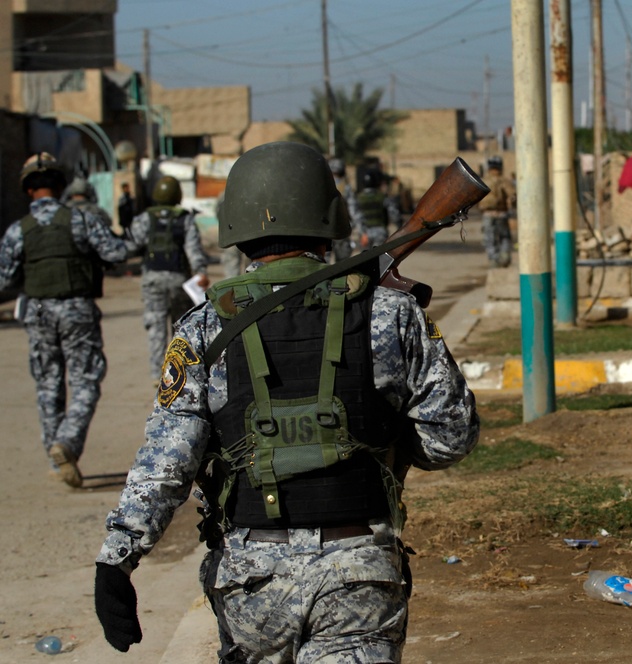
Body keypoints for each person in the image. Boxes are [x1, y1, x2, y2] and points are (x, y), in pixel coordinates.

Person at [94, 141, 479, 661]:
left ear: (235, 225)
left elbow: (167, 464)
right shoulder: (391, 312)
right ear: (330, 216)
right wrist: (381, 443)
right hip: (359, 573)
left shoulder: (203, 327)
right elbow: (451, 437)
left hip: (252, 583)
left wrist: (118, 559)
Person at [0, 153, 128, 487]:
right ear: (60, 186)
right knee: (85, 380)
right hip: (78, 310)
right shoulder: (80, 221)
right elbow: (116, 252)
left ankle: (57, 460)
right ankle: (67, 443)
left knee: (48, 384)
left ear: (28, 191)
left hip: (38, 311)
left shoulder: (18, 230)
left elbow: (4, 279)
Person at [125, 175, 210, 382]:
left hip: (152, 279)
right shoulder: (185, 218)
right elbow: (193, 250)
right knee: (180, 327)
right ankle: (177, 372)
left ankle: (157, 373)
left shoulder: (146, 218)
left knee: (155, 326)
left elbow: (130, 245)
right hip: (179, 281)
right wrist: (200, 271)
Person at [476, 156, 516, 267]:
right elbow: (513, 196)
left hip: (487, 215)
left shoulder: (483, 181)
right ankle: (504, 258)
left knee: (489, 238)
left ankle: (494, 260)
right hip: (502, 214)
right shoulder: (504, 181)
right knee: (504, 237)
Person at [356, 169, 400, 250]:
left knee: (364, 260)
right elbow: (394, 213)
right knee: (380, 259)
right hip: (380, 232)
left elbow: (357, 218)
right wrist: (399, 226)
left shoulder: (359, 198)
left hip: (365, 234)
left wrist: (362, 233)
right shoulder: (382, 197)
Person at [329, 157, 360, 261]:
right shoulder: (346, 188)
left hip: (323, 230)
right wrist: (358, 228)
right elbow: (353, 209)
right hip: (340, 229)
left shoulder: (322, 186)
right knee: (342, 264)